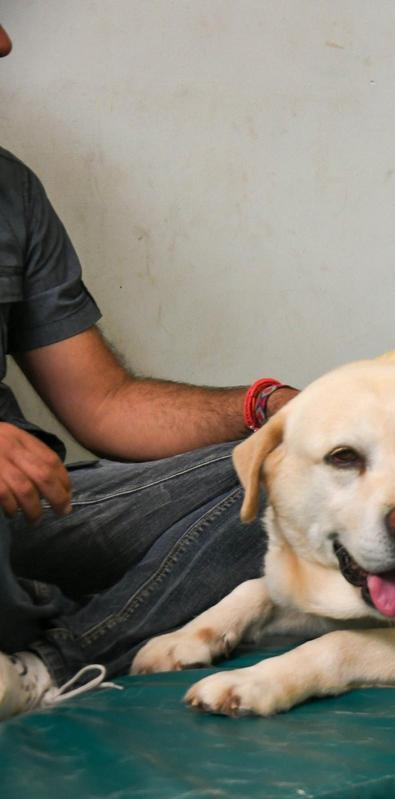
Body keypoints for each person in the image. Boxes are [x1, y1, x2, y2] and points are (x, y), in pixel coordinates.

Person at [0, 23, 297, 721]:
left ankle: (44, 666)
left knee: (297, 475)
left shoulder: (11, 190)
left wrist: (267, 408)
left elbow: (105, 402)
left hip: (33, 506)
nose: (7, 43)